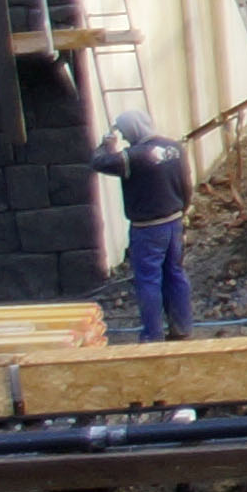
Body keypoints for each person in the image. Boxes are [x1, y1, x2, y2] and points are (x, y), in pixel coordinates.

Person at [90, 111, 191, 342]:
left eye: (124, 132)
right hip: (174, 222)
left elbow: (98, 162)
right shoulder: (175, 148)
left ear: (132, 129)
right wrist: (182, 212)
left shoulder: (133, 157)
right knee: (176, 273)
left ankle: (152, 336)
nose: (125, 137)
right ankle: (182, 328)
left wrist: (106, 145)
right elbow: (186, 184)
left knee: (148, 280)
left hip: (147, 228)